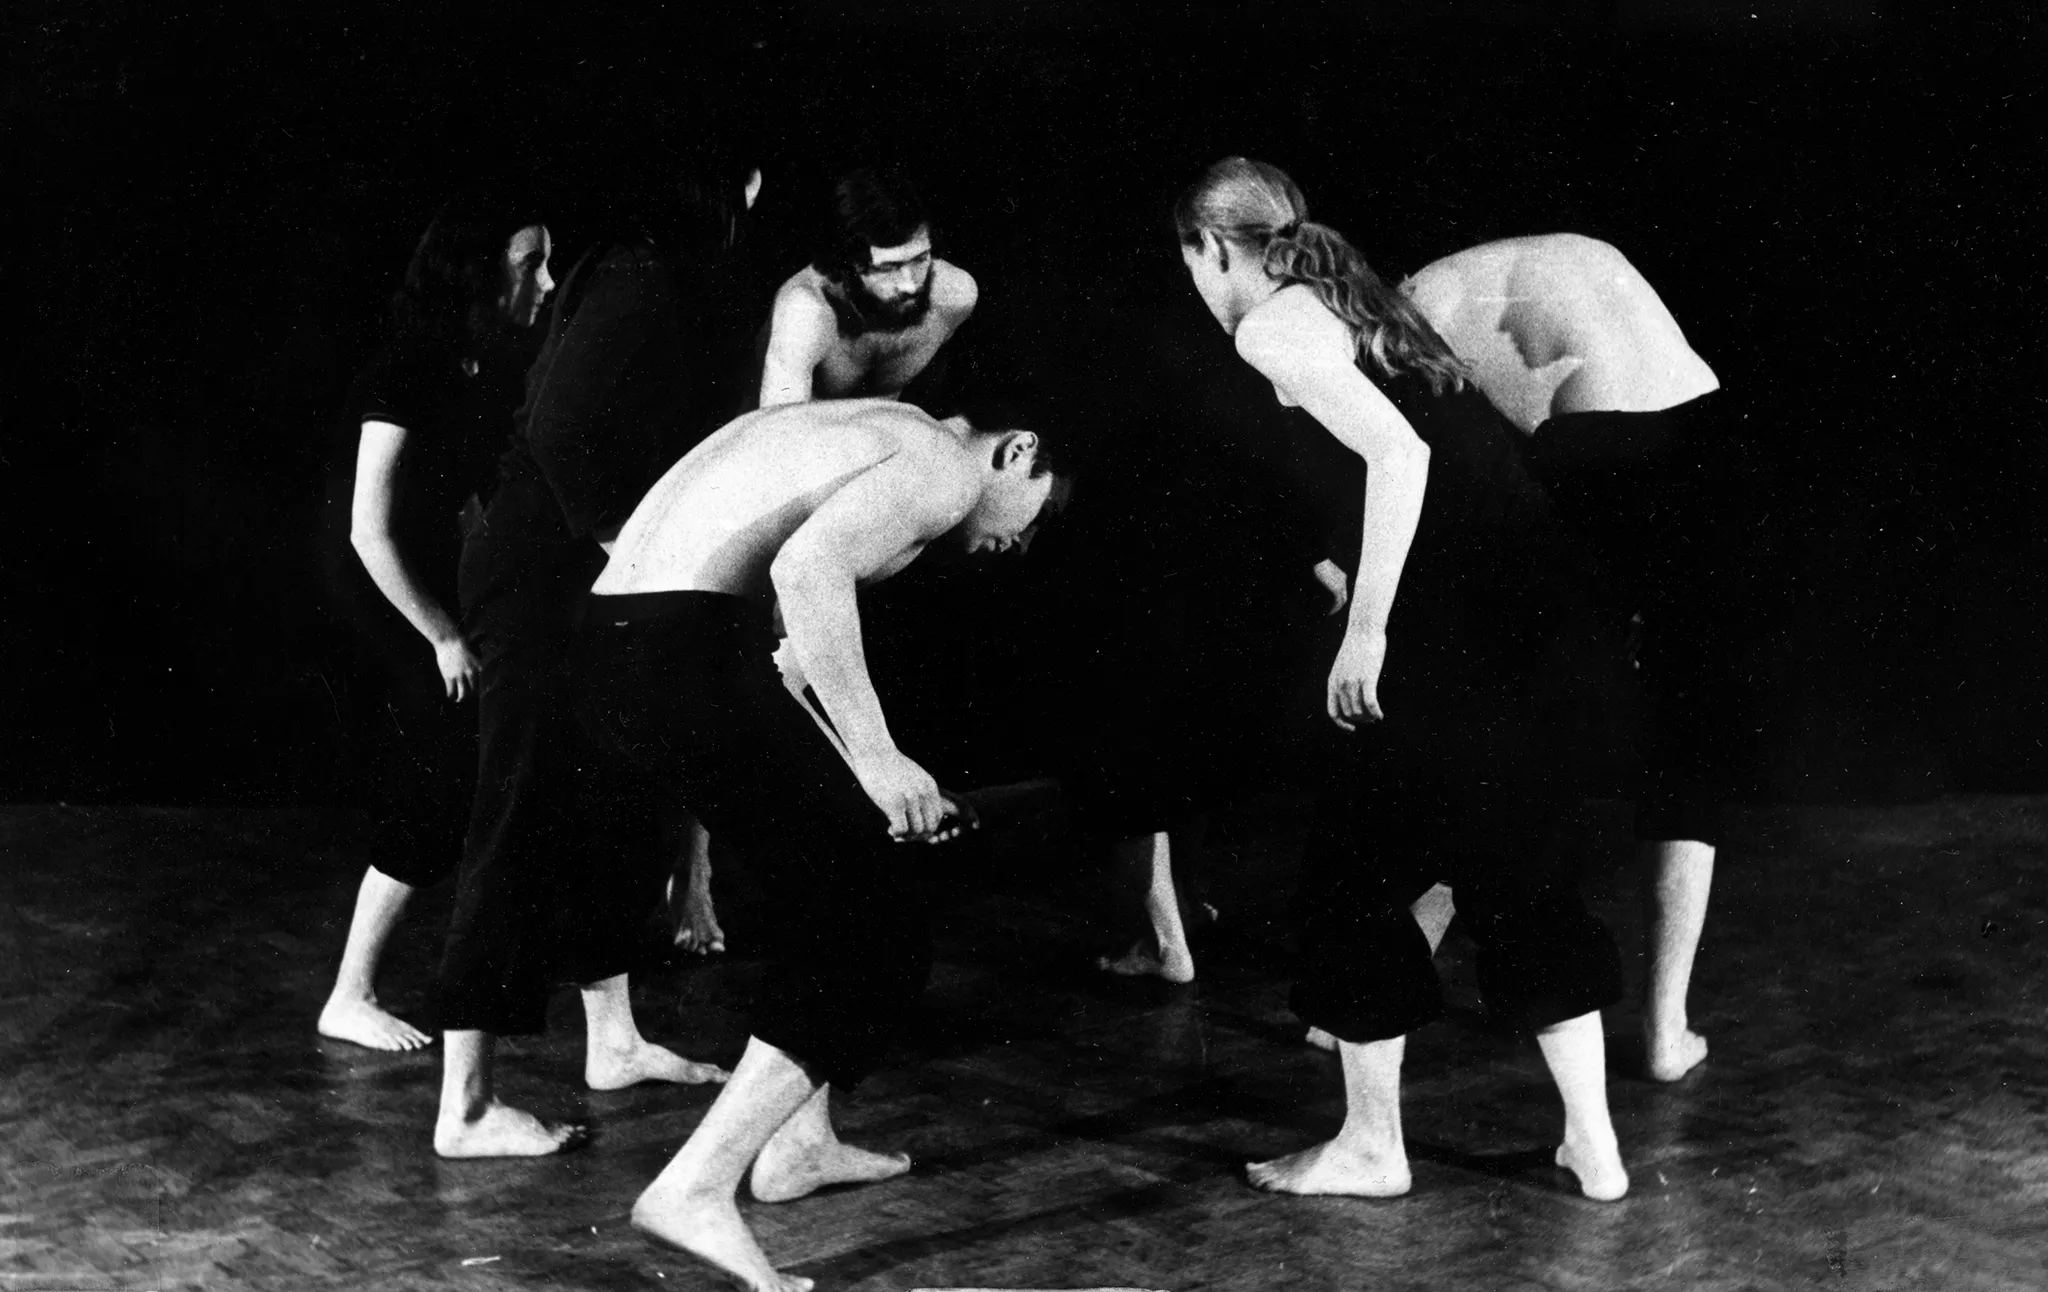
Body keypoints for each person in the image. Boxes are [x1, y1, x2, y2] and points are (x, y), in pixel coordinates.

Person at [1175, 158, 1629, 1202]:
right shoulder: (1354, 296)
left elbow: (1401, 457)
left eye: (1189, 260)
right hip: (1529, 623)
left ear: (1210, 249)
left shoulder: (1270, 326)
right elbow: (1444, 461)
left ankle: (1374, 1147)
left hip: (1454, 631)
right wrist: (1354, 567)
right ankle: (1594, 1148)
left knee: (1352, 876)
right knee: (1517, 872)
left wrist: (1369, 627)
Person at [574, 396, 1066, 1291]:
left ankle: (801, 1146)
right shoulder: (943, 467)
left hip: (627, 642)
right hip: (675, 651)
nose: (1024, 545)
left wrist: (859, 771)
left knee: (838, 889)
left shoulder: (873, 431)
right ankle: (695, 1187)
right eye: (1043, 511)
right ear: (1018, 451)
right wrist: (877, 759)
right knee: (876, 928)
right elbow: (807, 571)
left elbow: (791, 648)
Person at [432, 158, 761, 1158]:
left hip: (569, 578)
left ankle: (612, 1041)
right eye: (747, 188)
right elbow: (560, 427)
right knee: (514, 815)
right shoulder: (637, 276)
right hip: (532, 577)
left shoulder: (638, 270)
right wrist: (626, 540)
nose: (753, 205)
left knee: (608, 799)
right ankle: (465, 1108)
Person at [1398, 234, 1742, 1082]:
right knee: (1686, 752)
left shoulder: (1418, 308)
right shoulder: (1527, 264)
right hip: (1714, 439)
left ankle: (1383, 985)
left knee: (1504, 730)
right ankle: (1666, 1032)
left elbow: (1431, 466)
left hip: (1601, 444)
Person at [316, 192, 555, 1052]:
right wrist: (444, 635)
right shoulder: (409, 366)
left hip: (427, 584)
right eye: (531, 265)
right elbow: (365, 530)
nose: (546, 283)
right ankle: (348, 994)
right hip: (380, 585)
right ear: (479, 274)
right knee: (438, 783)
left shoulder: (476, 361)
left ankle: (363, 985)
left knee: (450, 782)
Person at [755, 168, 977, 409]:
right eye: (887, 268)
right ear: (846, 266)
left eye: (920, 259)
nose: (910, 284)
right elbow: (778, 426)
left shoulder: (954, 296)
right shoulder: (806, 312)